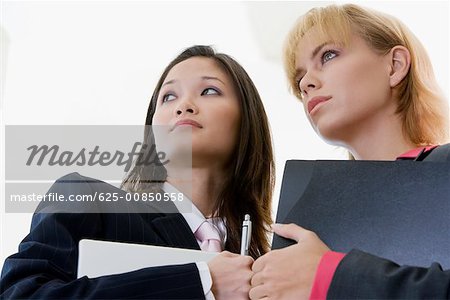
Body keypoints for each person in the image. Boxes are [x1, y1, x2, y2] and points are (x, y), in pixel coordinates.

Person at [1, 45, 275, 299]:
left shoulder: (270, 260)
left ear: (247, 118)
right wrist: (202, 281)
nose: (184, 105)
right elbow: (21, 294)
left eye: (209, 91)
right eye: (168, 97)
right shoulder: (85, 197)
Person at [250, 4, 450, 299]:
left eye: (328, 55)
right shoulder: (305, 213)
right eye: (299, 79)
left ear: (394, 65)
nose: (306, 83)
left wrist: (331, 276)